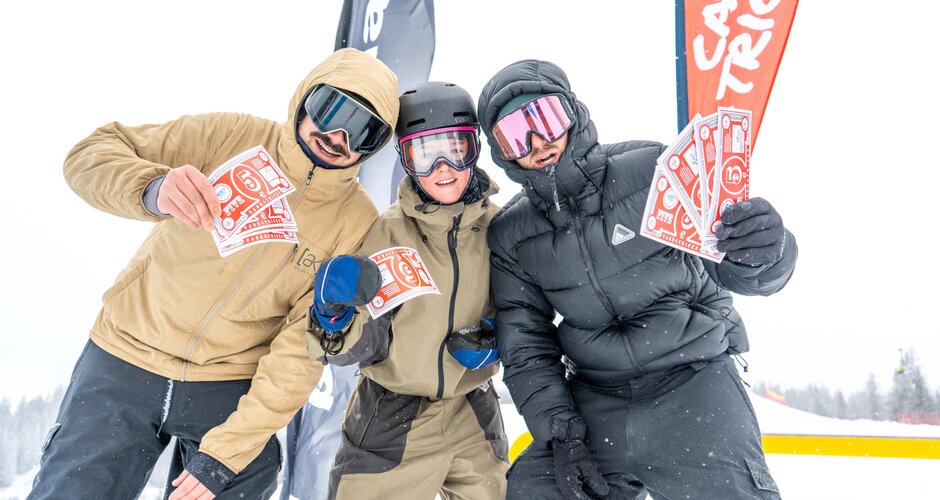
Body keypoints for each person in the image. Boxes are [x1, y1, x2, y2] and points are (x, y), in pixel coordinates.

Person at [28, 48, 399, 500]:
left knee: (242, 474)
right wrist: (152, 188)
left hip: (225, 381)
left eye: (363, 131)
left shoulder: (354, 221)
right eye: (333, 108)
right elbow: (90, 155)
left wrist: (226, 455)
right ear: (306, 99)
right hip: (127, 353)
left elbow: (299, 349)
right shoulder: (232, 136)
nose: (338, 135)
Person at [477, 60, 798, 499]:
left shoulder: (650, 170)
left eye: (545, 119)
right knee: (533, 490)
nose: (537, 142)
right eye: (515, 136)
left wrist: (764, 253)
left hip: (693, 378)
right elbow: (527, 345)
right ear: (502, 153)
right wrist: (561, 435)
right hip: (597, 398)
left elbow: (731, 264)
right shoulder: (513, 233)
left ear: (572, 112)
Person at [305, 81, 509, 500]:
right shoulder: (387, 232)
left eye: (455, 149)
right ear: (406, 161)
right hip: (390, 414)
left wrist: (499, 333)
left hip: (473, 406)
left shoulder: (501, 228)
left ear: (474, 149)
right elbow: (352, 349)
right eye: (424, 154)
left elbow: (527, 308)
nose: (443, 168)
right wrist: (334, 316)